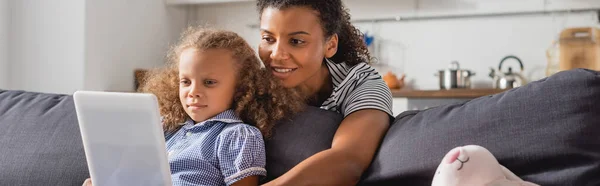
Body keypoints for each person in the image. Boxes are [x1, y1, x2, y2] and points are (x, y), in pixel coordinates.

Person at [82, 27, 304, 186]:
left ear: (240, 88)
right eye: (185, 81)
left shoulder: (236, 135)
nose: (193, 91)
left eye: (209, 83)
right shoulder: (166, 129)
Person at [257, 0, 394, 185]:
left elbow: (348, 162)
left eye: (296, 41)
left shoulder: (360, 83)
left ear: (330, 45)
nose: (276, 54)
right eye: (268, 39)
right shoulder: (252, 84)